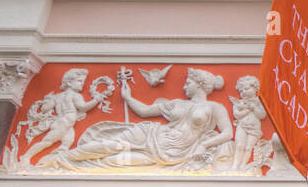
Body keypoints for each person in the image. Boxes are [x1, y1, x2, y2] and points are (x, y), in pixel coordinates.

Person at [55, 68, 233, 171]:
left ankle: (73, 162)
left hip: (172, 153)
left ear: (200, 85)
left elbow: (227, 133)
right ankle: (61, 159)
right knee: (110, 145)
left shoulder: (215, 108)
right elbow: (145, 111)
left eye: (188, 83)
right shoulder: (177, 103)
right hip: (151, 134)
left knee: (115, 162)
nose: (185, 86)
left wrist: (204, 145)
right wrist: (128, 97)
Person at [21, 68, 106, 166]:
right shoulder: (75, 95)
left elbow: (45, 108)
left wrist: (48, 101)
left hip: (64, 123)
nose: (82, 84)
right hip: (64, 123)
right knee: (47, 142)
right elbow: (83, 107)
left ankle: (54, 161)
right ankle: (26, 156)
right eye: (79, 81)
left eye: (83, 81)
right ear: (69, 82)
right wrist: (96, 100)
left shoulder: (57, 96)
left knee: (68, 142)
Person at [230, 75, 268, 170]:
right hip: (242, 126)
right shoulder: (239, 103)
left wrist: (254, 107)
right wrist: (248, 109)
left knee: (248, 147)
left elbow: (262, 115)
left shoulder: (259, 102)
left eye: (246, 89)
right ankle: (235, 165)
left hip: (254, 128)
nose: (243, 92)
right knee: (239, 145)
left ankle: (243, 165)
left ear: (255, 88)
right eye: (241, 90)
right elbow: (237, 115)